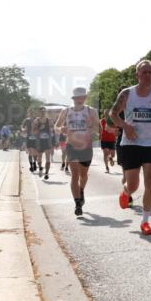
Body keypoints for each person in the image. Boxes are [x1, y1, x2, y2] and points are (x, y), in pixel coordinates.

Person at [109, 60, 151, 236]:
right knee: (134, 184)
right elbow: (112, 114)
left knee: (150, 181)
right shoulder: (127, 94)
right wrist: (125, 127)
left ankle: (145, 221)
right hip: (130, 144)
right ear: (137, 74)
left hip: (150, 142)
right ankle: (126, 191)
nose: (147, 76)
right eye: (144, 72)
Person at [56, 88, 100, 217]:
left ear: (85, 98)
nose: (80, 99)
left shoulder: (91, 111)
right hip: (71, 146)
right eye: (77, 97)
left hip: (86, 147)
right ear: (73, 99)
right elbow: (56, 127)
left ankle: (81, 191)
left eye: (83, 97)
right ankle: (77, 204)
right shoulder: (66, 111)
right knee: (75, 174)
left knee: (83, 175)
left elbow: (99, 131)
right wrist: (60, 129)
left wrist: (92, 126)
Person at [33, 108, 55, 179]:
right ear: (38, 113)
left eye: (43, 112)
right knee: (39, 157)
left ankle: (46, 173)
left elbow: (53, 129)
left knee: (48, 157)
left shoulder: (49, 120)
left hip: (47, 141)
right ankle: (40, 168)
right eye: (41, 112)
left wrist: (51, 130)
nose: (42, 113)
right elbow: (33, 131)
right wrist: (39, 128)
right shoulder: (36, 121)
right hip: (39, 141)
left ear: (46, 112)